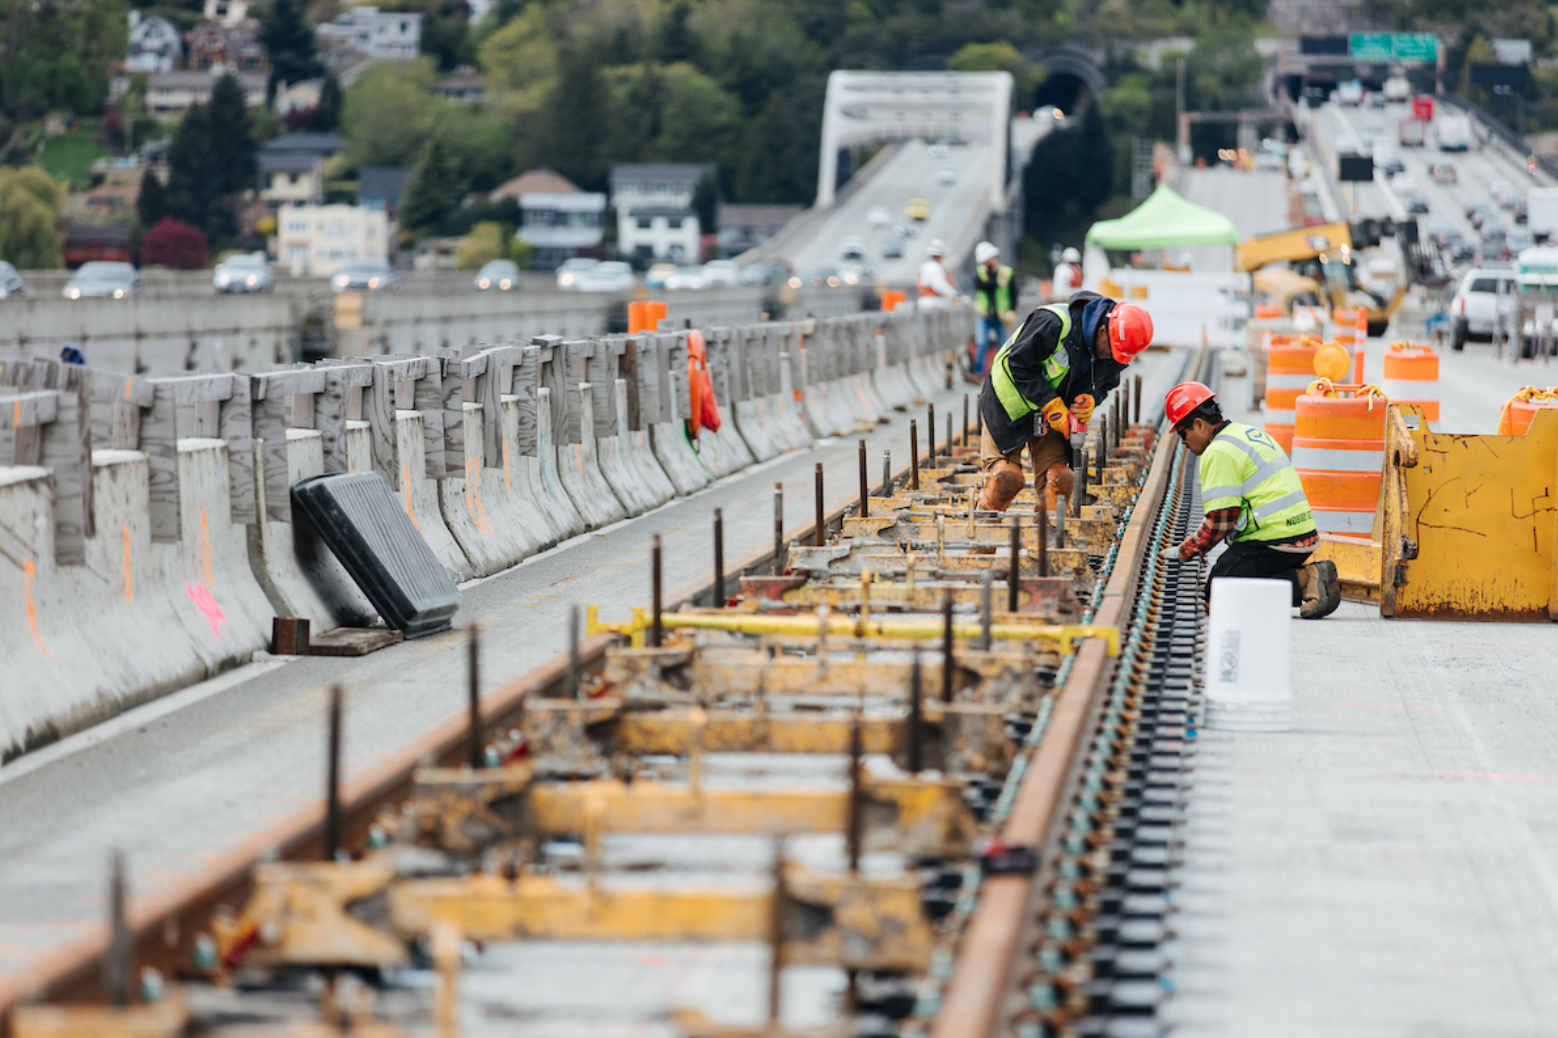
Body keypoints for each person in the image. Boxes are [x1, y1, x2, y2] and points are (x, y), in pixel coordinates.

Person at [1162, 381, 1341, 618]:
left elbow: (1220, 520)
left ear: (1199, 424)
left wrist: (1187, 549)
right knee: (1237, 578)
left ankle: (1306, 581)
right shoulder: (1245, 433)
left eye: (1183, 433)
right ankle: (1305, 577)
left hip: (1274, 540)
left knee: (1220, 593)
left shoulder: (1219, 451)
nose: (1183, 442)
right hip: (1300, 534)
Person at [976, 291, 1154, 514]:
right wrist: (1050, 403)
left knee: (1059, 483)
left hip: (1053, 415)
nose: (1112, 358)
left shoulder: (1114, 349)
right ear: (1101, 331)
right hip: (1009, 406)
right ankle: (980, 545)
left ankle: (1046, 544)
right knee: (1005, 479)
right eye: (1111, 352)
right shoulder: (1053, 323)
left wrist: (1091, 397)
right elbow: (1017, 365)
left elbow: (1106, 382)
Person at [971, 241, 1016, 378]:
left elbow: (1014, 293)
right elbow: (980, 286)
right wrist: (995, 282)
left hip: (1001, 316)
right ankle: (978, 372)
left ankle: (1000, 373)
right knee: (982, 343)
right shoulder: (981, 272)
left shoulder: (1006, 273)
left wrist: (1012, 310)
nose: (984, 263)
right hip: (984, 314)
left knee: (1002, 346)